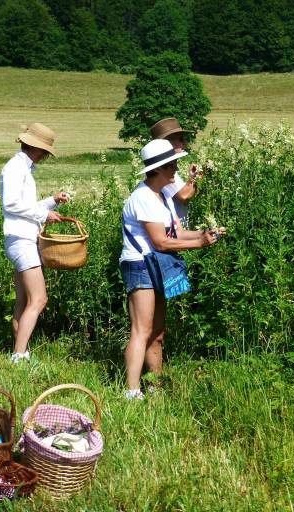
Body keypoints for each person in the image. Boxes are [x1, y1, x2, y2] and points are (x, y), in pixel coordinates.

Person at [120, 139, 224, 400]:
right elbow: (160, 241)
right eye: (172, 165)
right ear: (158, 168)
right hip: (140, 264)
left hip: (155, 264)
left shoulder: (163, 196)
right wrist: (199, 243)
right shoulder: (143, 197)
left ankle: (154, 387)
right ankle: (131, 392)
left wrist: (204, 233)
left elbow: (176, 232)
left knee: (157, 332)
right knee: (141, 330)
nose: (176, 169)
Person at [0, 123, 69, 363]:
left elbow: (23, 206)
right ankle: (18, 355)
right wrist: (43, 215)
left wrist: (51, 202)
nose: (46, 157)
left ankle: (22, 349)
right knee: (39, 299)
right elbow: (11, 205)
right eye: (45, 152)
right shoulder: (15, 169)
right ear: (38, 149)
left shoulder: (22, 168)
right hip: (22, 241)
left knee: (23, 299)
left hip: (21, 238)